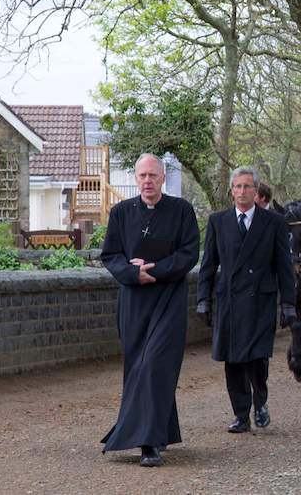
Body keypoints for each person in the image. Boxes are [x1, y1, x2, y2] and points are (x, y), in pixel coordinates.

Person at [100, 153, 200, 467]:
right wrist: (133, 274)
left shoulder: (181, 210)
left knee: (155, 366)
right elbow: (111, 254)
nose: (147, 181)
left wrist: (155, 270)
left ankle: (147, 443)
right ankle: (161, 430)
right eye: (142, 175)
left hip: (169, 300)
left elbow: (189, 253)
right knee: (140, 369)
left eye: (153, 176)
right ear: (135, 179)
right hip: (134, 303)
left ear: (162, 179)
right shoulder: (121, 212)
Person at [196, 167, 296, 434]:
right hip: (230, 299)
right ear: (231, 190)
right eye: (237, 187)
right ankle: (241, 415)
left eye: (247, 187)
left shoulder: (273, 222)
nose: (242, 192)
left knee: (257, 357)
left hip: (260, 300)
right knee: (234, 360)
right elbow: (208, 265)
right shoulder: (218, 221)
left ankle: (260, 403)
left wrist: (288, 303)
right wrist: (203, 299)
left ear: (256, 191)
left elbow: (284, 267)